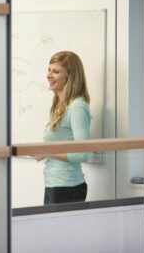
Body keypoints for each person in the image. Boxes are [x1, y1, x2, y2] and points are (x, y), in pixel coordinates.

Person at [34, 51, 92, 205]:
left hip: (67, 187)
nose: (49, 75)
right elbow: (63, 143)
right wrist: (44, 153)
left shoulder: (77, 107)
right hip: (54, 184)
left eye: (56, 71)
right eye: (49, 70)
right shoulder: (58, 106)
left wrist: (48, 151)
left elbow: (83, 154)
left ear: (69, 76)